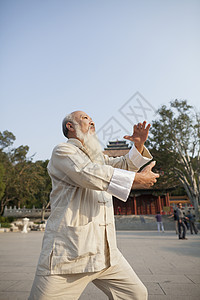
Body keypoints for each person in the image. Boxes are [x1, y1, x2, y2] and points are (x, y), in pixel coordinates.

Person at [29, 110, 159, 300]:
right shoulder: (63, 151)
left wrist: (138, 145)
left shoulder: (99, 158)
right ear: (70, 126)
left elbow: (122, 164)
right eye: (85, 118)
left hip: (105, 253)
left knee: (136, 294)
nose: (92, 122)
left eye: (92, 119)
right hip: (70, 253)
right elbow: (87, 173)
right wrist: (137, 179)